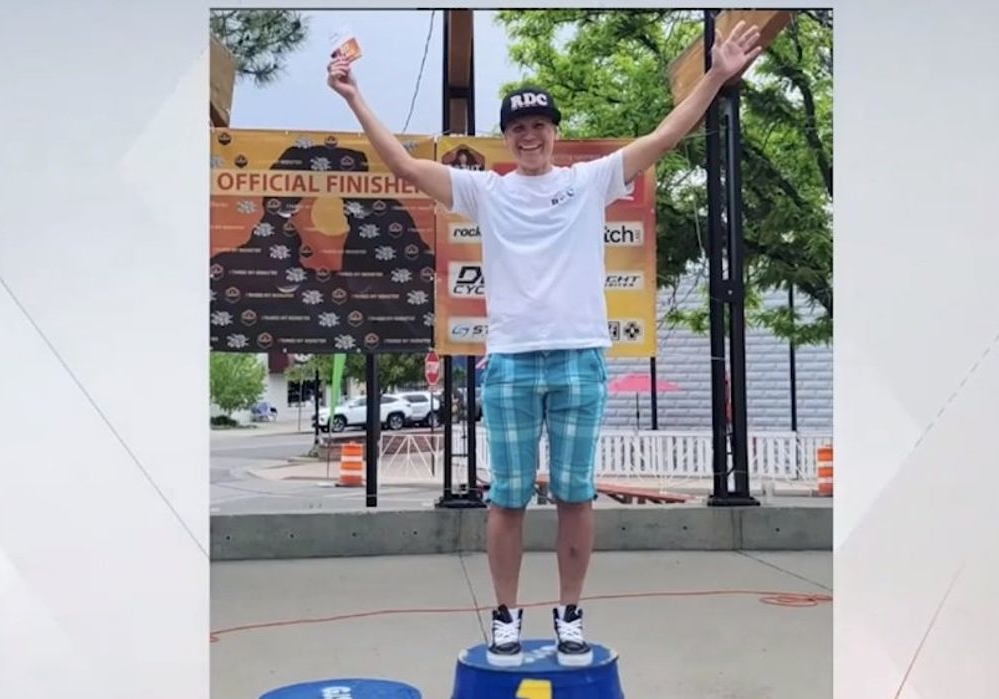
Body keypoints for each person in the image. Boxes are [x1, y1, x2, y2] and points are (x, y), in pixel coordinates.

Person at [327, 20, 763, 667]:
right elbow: (401, 163)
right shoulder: (486, 191)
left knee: (574, 495)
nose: (529, 135)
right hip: (507, 362)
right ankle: (505, 615)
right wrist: (353, 96)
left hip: (580, 357)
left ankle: (569, 613)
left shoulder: (588, 181)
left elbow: (667, 133)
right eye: (518, 127)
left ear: (553, 132)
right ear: (506, 138)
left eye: (539, 125)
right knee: (505, 496)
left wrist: (717, 74)